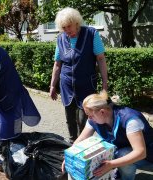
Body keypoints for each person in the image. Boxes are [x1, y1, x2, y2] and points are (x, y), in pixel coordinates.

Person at [63, 90, 153, 180]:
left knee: (121, 154)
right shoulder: (94, 119)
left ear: (102, 112)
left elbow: (141, 152)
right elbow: (82, 138)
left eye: (90, 115)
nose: (89, 118)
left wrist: (111, 164)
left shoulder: (130, 120)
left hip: (149, 157)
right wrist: (70, 157)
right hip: (130, 152)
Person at [49, 7, 108, 143]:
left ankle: (83, 144)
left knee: (84, 119)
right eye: (63, 27)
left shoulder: (91, 34)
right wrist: (53, 85)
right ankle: (71, 142)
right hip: (67, 85)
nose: (67, 30)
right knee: (70, 118)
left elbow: (100, 59)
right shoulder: (60, 39)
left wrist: (105, 83)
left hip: (86, 84)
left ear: (76, 22)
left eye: (69, 26)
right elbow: (57, 64)